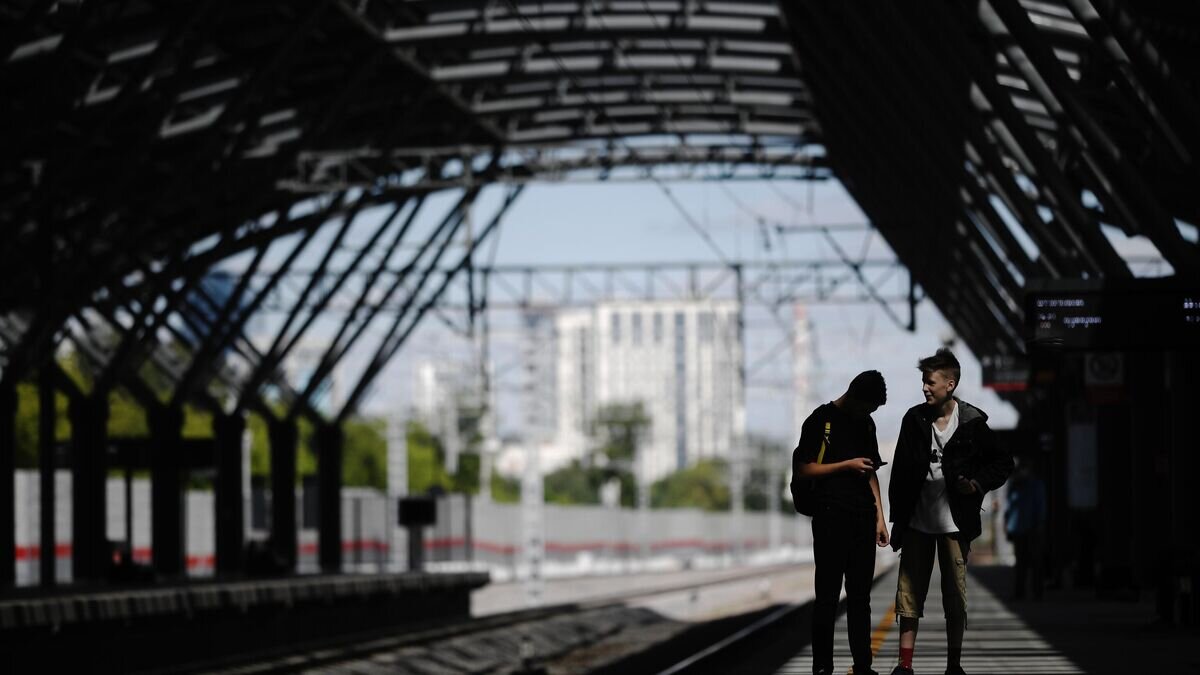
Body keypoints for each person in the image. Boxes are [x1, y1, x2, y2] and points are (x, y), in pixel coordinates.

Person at [888, 348, 1012, 675]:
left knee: (955, 598)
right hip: (916, 522)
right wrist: (895, 520)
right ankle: (904, 666)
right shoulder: (913, 420)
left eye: (930, 382)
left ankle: (953, 666)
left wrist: (977, 483)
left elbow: (1003, 462)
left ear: (950, 384)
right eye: (923, 382)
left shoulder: (972, 423)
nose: (925, 388)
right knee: (908, 597)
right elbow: (900, 472)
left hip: (955, 524)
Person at [792, 370, 890, 675]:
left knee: (861, 598)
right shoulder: (820, 420)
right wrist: (846, 465)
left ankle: (863, 665)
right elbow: (803, 470)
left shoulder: (866, 423)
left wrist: (880, 518)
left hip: (863, 515)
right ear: (855, 396)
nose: (870, 414)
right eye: (868, 407)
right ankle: (822, 667)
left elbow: (871, 471)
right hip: (830, 516)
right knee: (827, 597)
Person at [1005, 456, 1046, 600]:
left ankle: (1036, 591)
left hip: (1031, 529)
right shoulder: (1015, 485)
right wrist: (1009, 527)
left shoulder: (1035, 485)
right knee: (1022, 563)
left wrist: (1039, 524)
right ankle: (1021, 591)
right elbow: (1009, 508)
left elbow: (1040, 507)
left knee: (1035, 562)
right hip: (1019, 529)